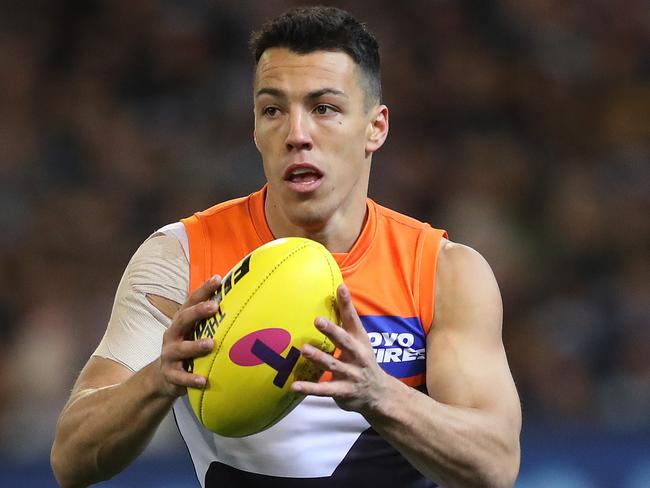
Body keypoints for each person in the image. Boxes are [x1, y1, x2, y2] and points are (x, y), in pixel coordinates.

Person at [51, 6, 521, 488]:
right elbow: (71, 458)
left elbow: (495, 464)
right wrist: (157, 379)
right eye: (273, 110)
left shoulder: (442, 272)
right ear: (255, 129)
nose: (297, 135)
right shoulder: (181, 258)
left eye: (324, 108)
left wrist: (380, 395)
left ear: (375, 128)